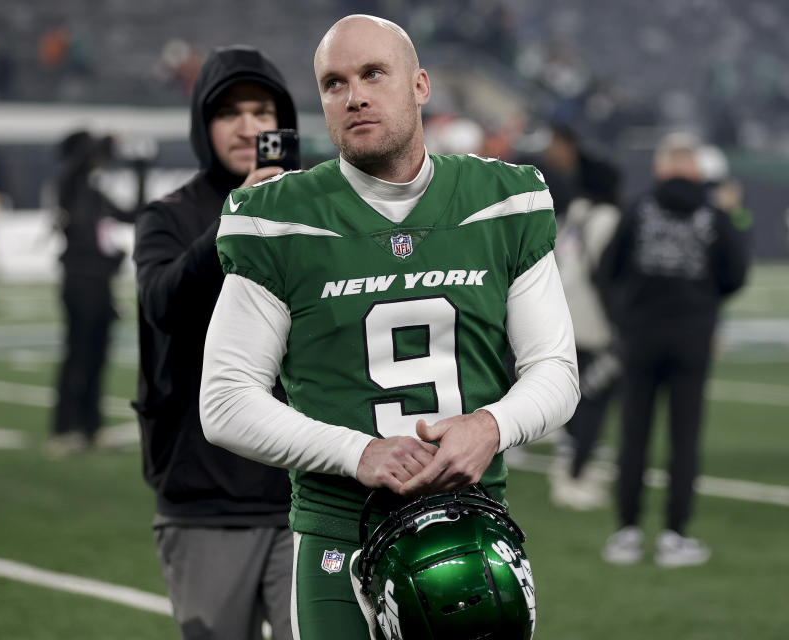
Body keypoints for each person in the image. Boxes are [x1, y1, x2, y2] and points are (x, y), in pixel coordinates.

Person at [199, 16, 579, 639]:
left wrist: (491, 427)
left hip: (473, 532)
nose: (355, 96)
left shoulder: (502, 200)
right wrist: (361, 453)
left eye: (374, 73)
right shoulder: (279, 218)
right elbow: (225, 401)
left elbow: (557, 374)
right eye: (334, 83)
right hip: (338, 537)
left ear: (421, 85)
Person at [132, 46, 297, 640]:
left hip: (308, 490)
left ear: (285, 123)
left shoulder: (317, 207)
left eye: (261, 110)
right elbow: (162, 304)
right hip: (205, 493)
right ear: (204, 125)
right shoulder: (167, 217)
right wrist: (237, 216)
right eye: (228, 112)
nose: (248, 126)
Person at [597, 133, 748, 567]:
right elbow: (736, 274)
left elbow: (608, 269)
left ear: (661, 169)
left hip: (640, 335)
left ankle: (626, 533)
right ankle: (674, 536)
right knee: (685, 439)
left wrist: (622, 317)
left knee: (633, 436)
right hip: (692, 338)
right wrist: (703, 300)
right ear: (698, 171)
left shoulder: (638, 210)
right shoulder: (714, 215)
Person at [48, 131, 144, 456]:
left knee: (98, 358)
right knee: (77, 355)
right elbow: (78, 164)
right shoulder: (68, 188)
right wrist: (105, 142)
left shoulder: (95, 193)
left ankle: (92, 426)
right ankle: (63, 428)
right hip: (78, 283)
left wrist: (140, 169)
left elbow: (134, 213)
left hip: (102, 284)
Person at [549, 157, 624, 510]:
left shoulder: (574, 214)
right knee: (595, 398)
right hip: (594, 320)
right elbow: (609, 274)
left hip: (565, 312)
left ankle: (570, 468)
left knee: (576, 398)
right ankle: (575, 474)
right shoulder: (607, 218)